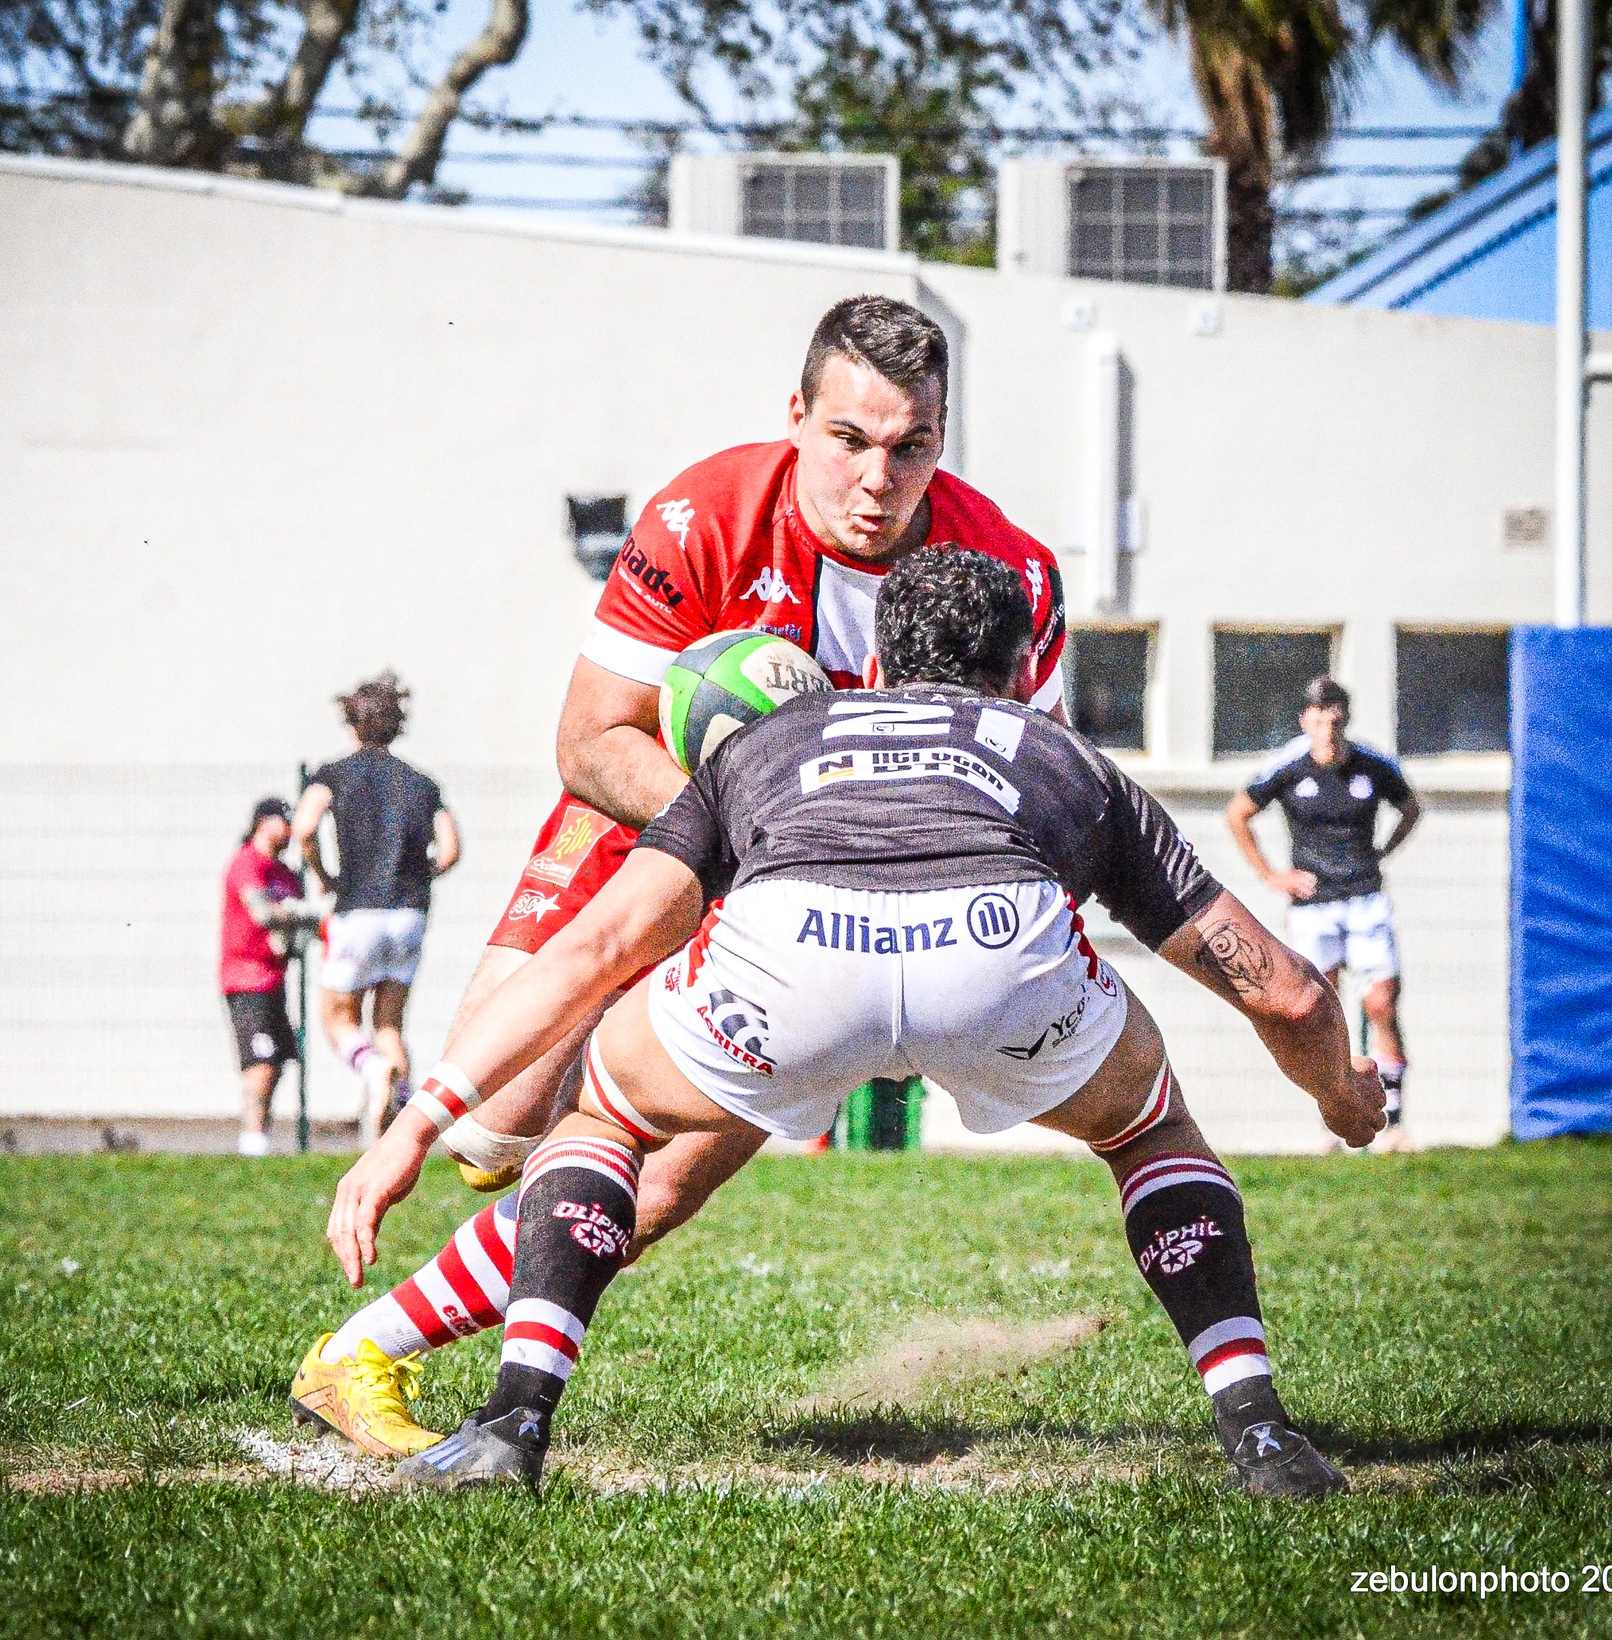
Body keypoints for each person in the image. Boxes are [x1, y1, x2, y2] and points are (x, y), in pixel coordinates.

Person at [323, 551, 1385, 1497]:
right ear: (1022, 671)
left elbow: (596, 948)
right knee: (1147, 1129)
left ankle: (513, 1418)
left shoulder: (775, 739)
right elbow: (1283, 988)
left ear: (872, 665)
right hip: (995, 955)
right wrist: (1339, 1094)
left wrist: (412, 1130)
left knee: (605, 1111)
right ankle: (1256, 1431)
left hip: (793, 955)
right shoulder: (1059, 755)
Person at [285, 295, 1071, 1458]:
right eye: (849, 439)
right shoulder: (701, 512)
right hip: (646, 817)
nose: (877, 478)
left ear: (941, 437)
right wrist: (753, 836)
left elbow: (1020, 783)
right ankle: (486, 1181)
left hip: (828, 898)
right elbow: (591, 738)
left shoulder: (1005, 572)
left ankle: (359, 1355)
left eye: (911, 445)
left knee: (647, 1188)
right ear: (796, 416)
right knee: (499, 1125)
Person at [1226, 677, 1420, 1146]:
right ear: (1305, 721)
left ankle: (1393, 1124)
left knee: (1380, 1003)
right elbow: (1238, 814)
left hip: (1364, 896)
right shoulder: (1288, 767)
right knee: (1323, 1010)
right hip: (1313, 904)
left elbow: (1410, 808)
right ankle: (1333, 1118)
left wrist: (1383, 850)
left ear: (1345, 719)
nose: (1327, 729)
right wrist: (1273, 876)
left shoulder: (1372, 766)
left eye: (1334, 718)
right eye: (1318, 719)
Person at [294, 670, 460, 1144]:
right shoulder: (421, 784)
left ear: (352, 724)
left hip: (358, 908)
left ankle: (373, 1073)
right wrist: (418, 875)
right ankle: (395, 1131)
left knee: (337, 1016)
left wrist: (323, 874)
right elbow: (449, 850)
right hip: (410, 914)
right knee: (388, 1021)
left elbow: (305, 826)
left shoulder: (336, 774)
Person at [220, 797, 328, 1157]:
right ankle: (252, 1144)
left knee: (278, 1062)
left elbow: (303, 927)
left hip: (274, 977)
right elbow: (263, 913)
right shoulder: (247, 861)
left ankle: (259, 1138)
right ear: (264, 822)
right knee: (260, 1063)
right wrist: (301, 914)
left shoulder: (286, 873)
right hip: (246, 978)